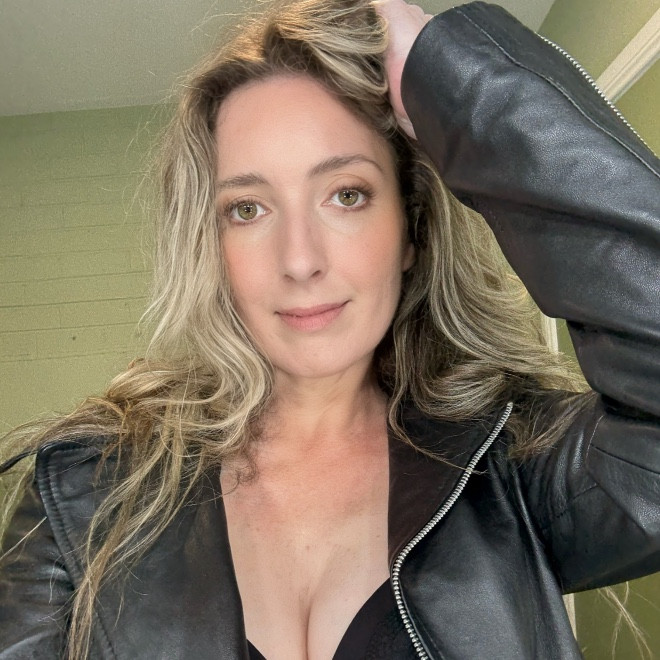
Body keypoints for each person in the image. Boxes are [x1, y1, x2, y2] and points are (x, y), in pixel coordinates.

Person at [1, 0, 659, 658]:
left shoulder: (515, 464)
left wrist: (459, 81)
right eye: (247, 209)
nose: (299, 260)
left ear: (411, 229)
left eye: (346, 194)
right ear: (209, 245)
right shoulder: (86, 493)